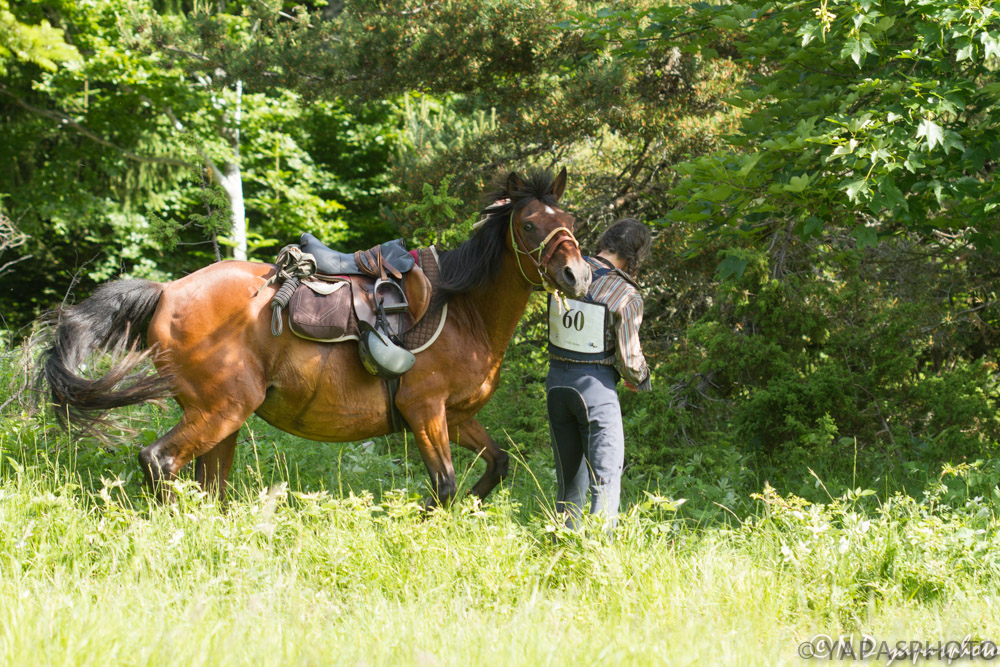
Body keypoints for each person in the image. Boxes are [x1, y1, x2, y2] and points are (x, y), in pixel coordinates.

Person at [546, 217, 652, 530]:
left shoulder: (565, 273)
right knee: (605, 481)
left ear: (605, 241)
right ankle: (600, 560)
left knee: (569, 485)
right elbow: (630, 359)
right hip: (595, 387)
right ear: (635, 256)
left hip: (556, 383)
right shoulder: (626, 293)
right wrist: (641, 380)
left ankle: (563, 554)